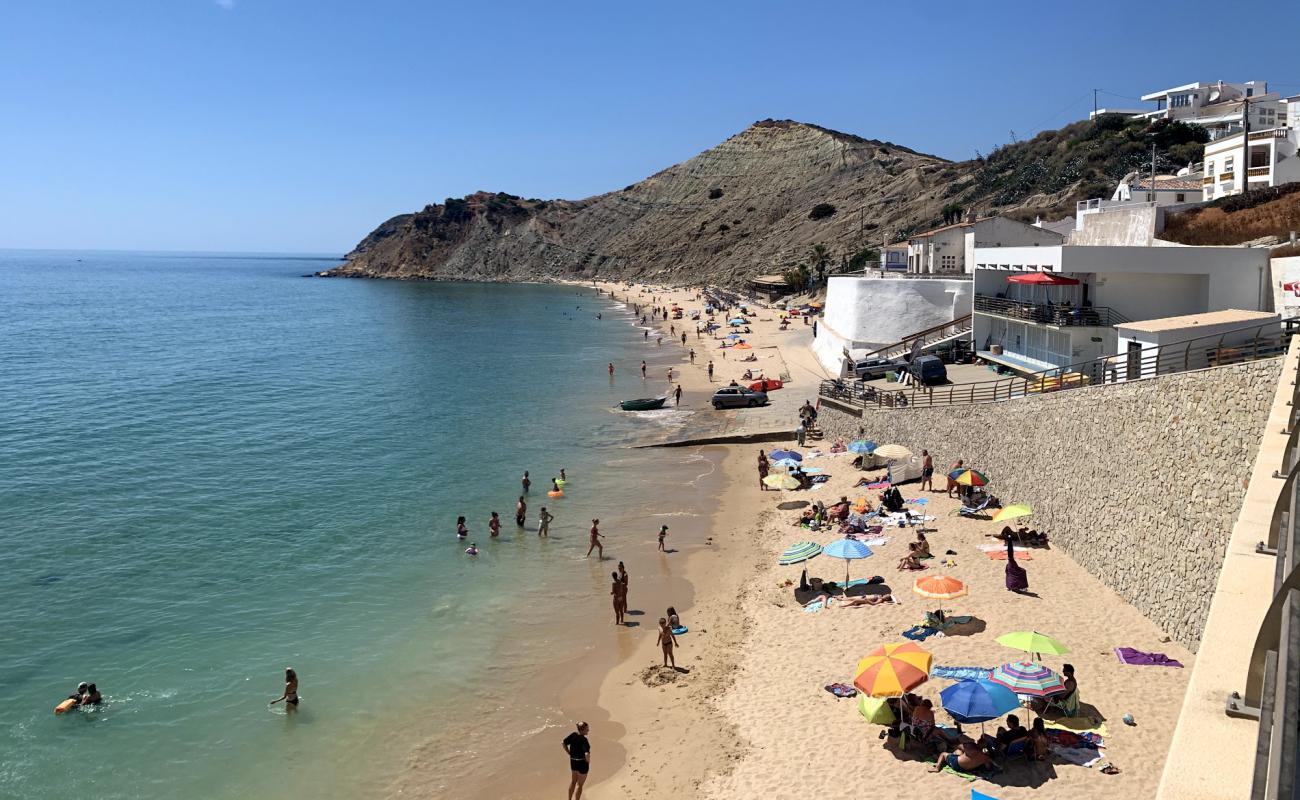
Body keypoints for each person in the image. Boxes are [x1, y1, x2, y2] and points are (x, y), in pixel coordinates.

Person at [562, 722, 592, 800]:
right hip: (582, 764)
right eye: (587, 729)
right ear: (582, 730)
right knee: (580, 785)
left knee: (573, 782)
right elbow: (586, 754)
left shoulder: (573, 735)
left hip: (573, 762)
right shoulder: (584, 740)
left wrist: (569, 753)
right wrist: (588, 761)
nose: (588, 730)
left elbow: (563, 743)